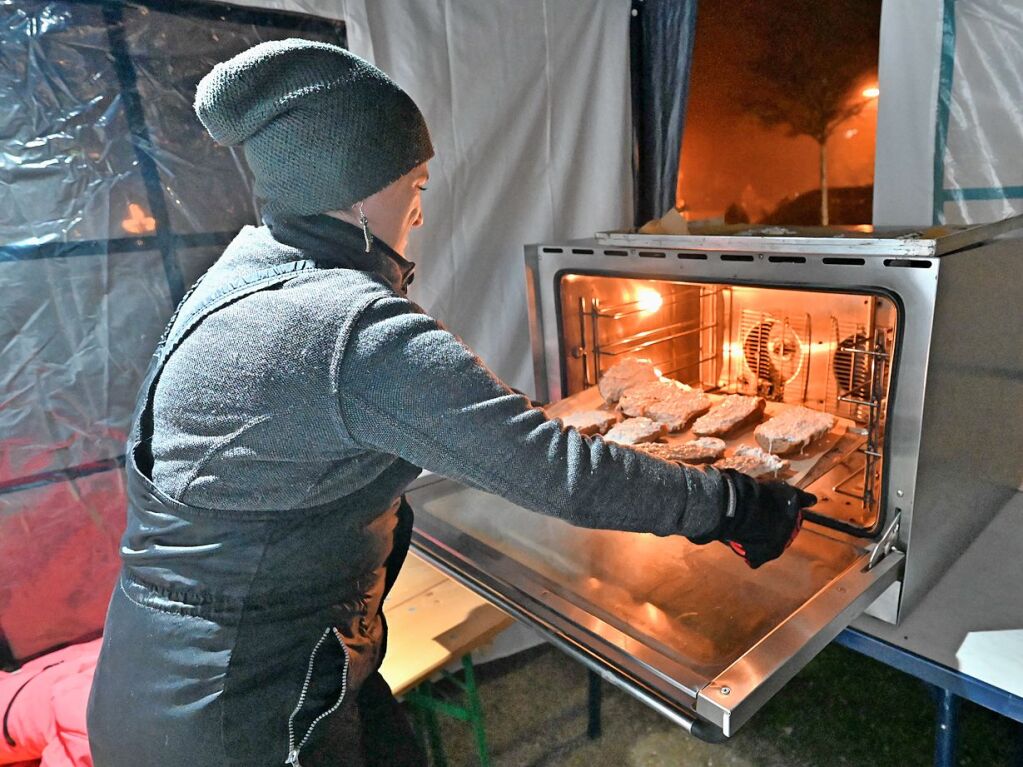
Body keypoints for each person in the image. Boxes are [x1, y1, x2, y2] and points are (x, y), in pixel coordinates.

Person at [86, 39, 816, 767]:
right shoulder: (344, 325)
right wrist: (730, 503)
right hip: (240, 711)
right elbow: (555, 467)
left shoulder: (242, 278)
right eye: (419, 184)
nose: (421, 213)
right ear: (362, 187)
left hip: (174, 672)